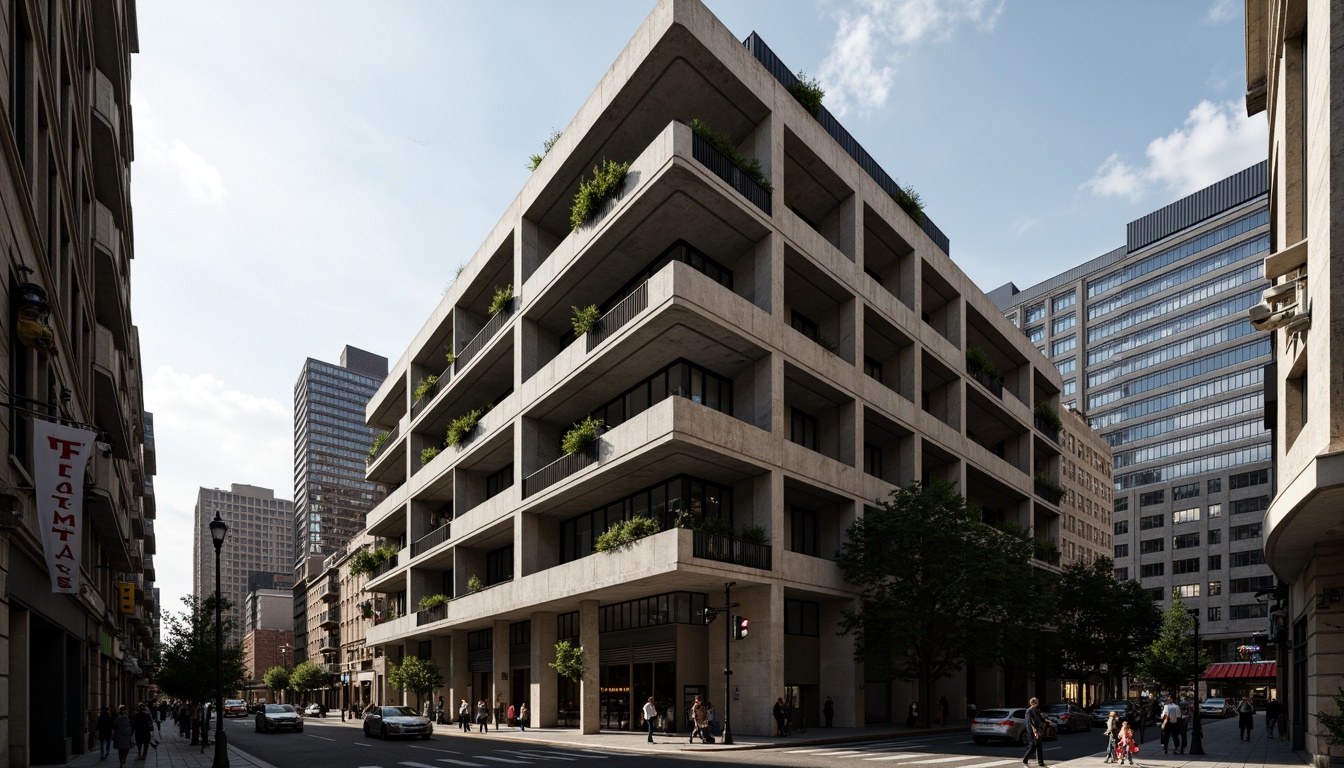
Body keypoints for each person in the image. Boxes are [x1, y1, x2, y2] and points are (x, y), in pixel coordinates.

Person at [1021, 697, 1047, 768]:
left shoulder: (1036, 710)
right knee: (1032, 745)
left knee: (1039, 745)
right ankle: (1025, 759)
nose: (1037, 703)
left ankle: (1040, 762)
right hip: (1032, 731)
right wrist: (1034, 731)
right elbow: (1030, 722)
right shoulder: (1029, 711)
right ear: (1032, 703)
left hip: (1037, 730)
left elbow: (1040, 718)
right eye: (1036, 702)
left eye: (1037, 702)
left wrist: (1046, 722)